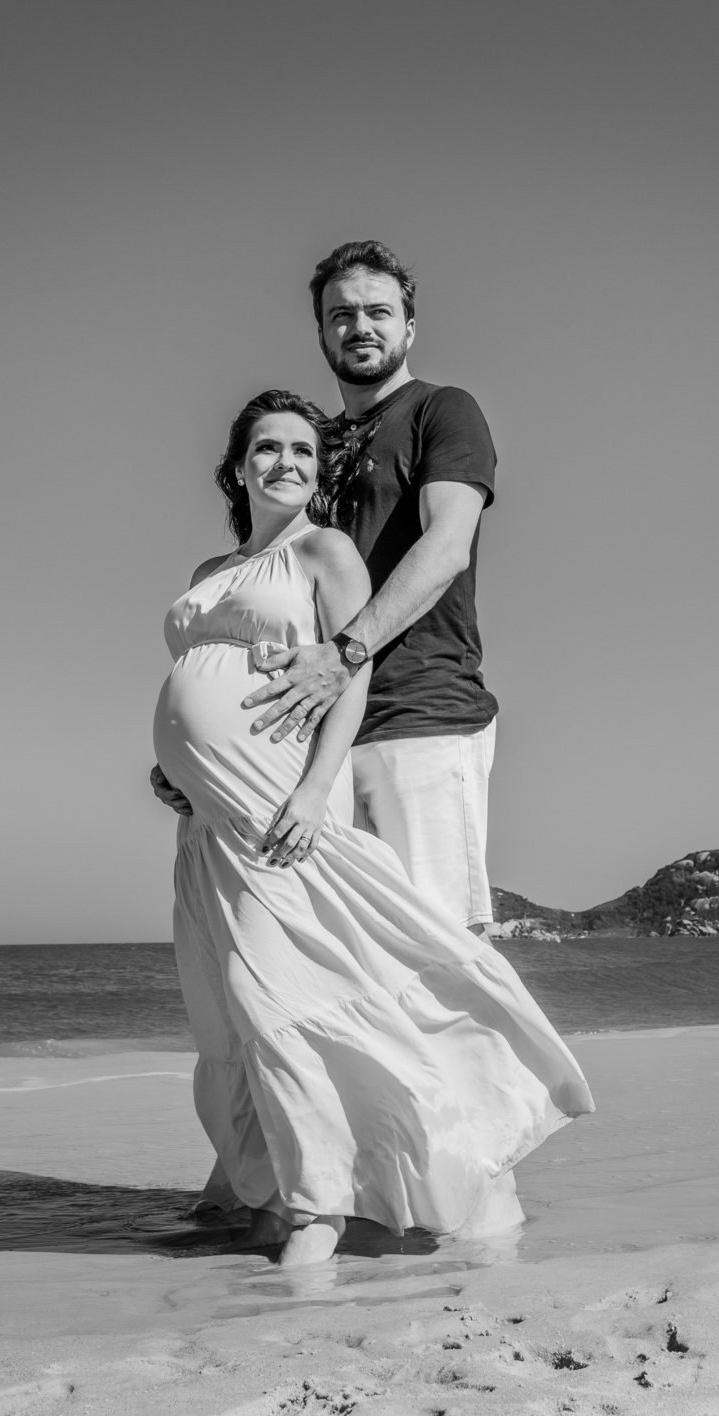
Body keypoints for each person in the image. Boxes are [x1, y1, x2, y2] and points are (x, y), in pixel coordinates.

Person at [153, 389, 593, 1266]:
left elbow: (347, 674)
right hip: (203, 823)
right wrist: (172, 767)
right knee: (224, 1015)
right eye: (266, 448)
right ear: (236, 466)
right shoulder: (211, 569)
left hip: (275, 800)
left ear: (319, 476)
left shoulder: (326, 549)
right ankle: (265, 1193)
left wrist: (316, 789)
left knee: (278, 995)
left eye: (302, 452)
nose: (284, 462)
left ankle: (328, 1206)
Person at [240, 241, 501, 934]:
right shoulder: (311, 448)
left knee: (439, 949)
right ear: (322, 333)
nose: (361, 327)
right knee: (343, 963)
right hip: (317, 734)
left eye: (379, 312)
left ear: (409, 327)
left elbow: (445, 548)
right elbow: (271, 584)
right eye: (342, 315)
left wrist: (345, 653)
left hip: (420, 716)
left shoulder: (443, 410)